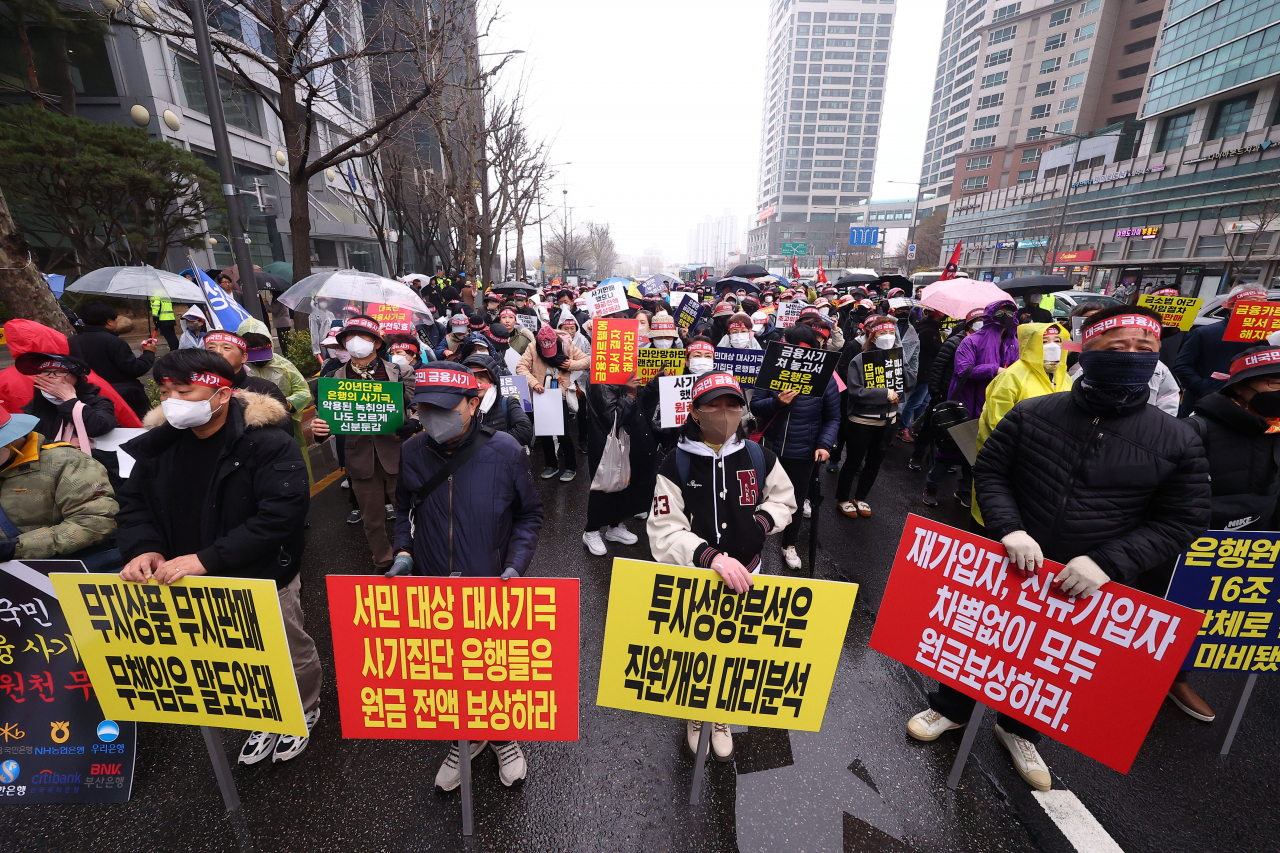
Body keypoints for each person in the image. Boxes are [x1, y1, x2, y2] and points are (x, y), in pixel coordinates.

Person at [908, 304, 1211, 792]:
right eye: (1117, 347)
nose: (1132, 357)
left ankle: (1020, 730)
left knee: (1051, 664)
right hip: (1012, 562)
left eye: (1145, 349)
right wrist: (1008, 528)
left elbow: (1184, 518)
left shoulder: (1178, 438)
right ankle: (950, 709)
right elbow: (990, 470)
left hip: (1089, 582)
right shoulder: (1034, 412)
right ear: (1086, 351)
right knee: (979, 639)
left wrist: (1110, 561)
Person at [115, 349, 321, 765]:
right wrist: (144, 548)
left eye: (184, 390)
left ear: (222, 394)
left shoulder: (267, 443)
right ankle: (267, 713)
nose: (171, 400)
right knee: (236, 654)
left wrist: (207, 558)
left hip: (261, 573)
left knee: (285, 646)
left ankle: (304, 706)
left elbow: (280, 516)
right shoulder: (157, 447)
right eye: (165, 390)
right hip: (185, 577)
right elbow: (134, 506)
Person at [387, 363, 543, 790]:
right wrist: (403, 551)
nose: (432, 416)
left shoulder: (507, 450)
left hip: (491, 581)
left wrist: (515, 565)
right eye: (423, 408)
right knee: (448, 668)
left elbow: (530, 515)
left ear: (473, 404)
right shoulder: (413, 451)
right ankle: (465, 737)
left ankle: (502, 735)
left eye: (444, 407)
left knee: (491, 666)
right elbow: (404, 509)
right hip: (434, 583)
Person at [647, 371, 797, 762]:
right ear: (695, 412)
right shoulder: (675, 463)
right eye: (713, 405)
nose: (724, 413)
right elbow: (664, 531)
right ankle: (696, 713)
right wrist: (710, 558)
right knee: (695, 649)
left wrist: (761, 523)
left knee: (735, 648)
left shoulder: (759, 456)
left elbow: (783, 500)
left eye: (732, 404)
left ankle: (722, 712)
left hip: (749, 574)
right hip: (696, 578)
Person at [1174, 344, 1280, 721]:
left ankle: (1177, 677)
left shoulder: (1276, 430)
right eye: (1274, 382)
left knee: (1211, 619)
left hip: (1252, 549)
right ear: (1241, 386)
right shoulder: (1194, 429)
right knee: (1171, 616)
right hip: (1184, 550)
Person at [309, 317, 417, 570]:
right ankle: (384, 561)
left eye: (364, 336)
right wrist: (320, 431)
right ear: (343, 344)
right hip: (358, 457)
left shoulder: (401, 371)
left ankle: (412, 556)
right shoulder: (333, 379)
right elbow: (327, 418)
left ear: (378, 343)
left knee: (408, 512)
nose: (356, 342)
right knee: (372, 519)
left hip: (397, 453)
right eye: (349, 337)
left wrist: (414, 422)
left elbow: (419, 407)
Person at [951, 323, 1071, 511]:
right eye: (1045, 341)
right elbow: (997, 424)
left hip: (1048, 466)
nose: (1053, 346)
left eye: (1057, 341)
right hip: (1012, 461)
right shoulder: (1013, 377)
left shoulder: (1065, 378)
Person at [749, 324, 840, 568]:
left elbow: (833, 417)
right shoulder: (770, 371)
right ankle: (752, 540)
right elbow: (755, 406)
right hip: (769, 450)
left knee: (796, 502)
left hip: (803, 453)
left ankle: (789, 544)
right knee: (758, 498)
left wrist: (824, 443)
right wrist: (776, 402)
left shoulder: (826, 379)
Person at [0, 400, 118, 566]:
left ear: (11, 439)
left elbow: (95, 522)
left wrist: (17, 548)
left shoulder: (68, 462)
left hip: (55, 572)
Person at [836, 315, 917, 518]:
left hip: (888, 421)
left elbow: (910, 383)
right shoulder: (860, 360)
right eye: (882, 333)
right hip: (862, 420)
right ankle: (843, 498)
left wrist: (901, 362)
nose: (887, 337)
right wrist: (884, 394)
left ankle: (861, 497)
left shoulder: (896, 357)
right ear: (872, 336)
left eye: (891, 333)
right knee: (853, 461)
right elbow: (855, 391)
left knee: (874, 462)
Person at [581, 365, 658, 557]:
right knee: (605, 485)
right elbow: (612, 416)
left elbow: (640, 402)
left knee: (624, 484)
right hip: (609, 444)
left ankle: (614, 526)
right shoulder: (600, 377)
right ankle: (591, 531)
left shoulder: (626, 370)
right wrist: (630, 393)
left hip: (630, 441)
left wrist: (652, 384)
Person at [1173, 282, 1269, 416]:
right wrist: (1204, 386)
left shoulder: (1270, 338)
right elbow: (1182, 366)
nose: (1260, 306)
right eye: (1253, 302)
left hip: (1250, 408)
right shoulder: (1205, 333)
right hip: (1203, 403)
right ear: (1231, 305)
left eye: (1265, 302)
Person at [517, 324, 588, 482]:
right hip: (540, 394)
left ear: (556, 342)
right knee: (545, 433)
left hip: (559, 393)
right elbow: (521, 366)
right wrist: (534, 383)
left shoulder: (567, 344)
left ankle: (570, 467)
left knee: (564, 433)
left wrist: (571, 364)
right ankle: (551, 465)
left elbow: (586, 361)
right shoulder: (533, 346)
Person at [68, 301, 157, 419]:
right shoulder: (114, 342)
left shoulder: (72, 341)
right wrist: (149, 353)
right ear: (109, 322)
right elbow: (134, 369)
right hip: (123, 397)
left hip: (88, 396)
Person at [203, 331, 293, 435]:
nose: (217, 352)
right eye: (211, 348)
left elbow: (286, 435)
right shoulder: (195, 390)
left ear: (244, 357)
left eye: (226, 348)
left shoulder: (265, 388)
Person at [235, 318, 313, 426]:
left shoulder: (283, 365)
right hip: (247, 425)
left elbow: (303, 390)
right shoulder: (235, 367)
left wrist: (287, 404)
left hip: (284, 423)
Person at [462, 352, 534, 446]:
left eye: (482, 376)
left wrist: (493, 445)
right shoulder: (460, 406)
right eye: (472, 377)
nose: (477, 382)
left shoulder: (507, 402)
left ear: (492, 379)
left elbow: (525, 430)